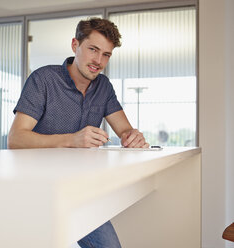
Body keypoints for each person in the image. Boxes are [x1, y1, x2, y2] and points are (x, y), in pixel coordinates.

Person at [8, 17, 149, 248]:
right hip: (37, 188)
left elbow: (125, 130)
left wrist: (133, 136)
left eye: (106, 54)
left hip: (81, 190)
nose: (99, 61)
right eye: (93, 50)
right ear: (75, 45)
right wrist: (72, 139)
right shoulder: (43, 79)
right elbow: (15, 139)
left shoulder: (103, 87)